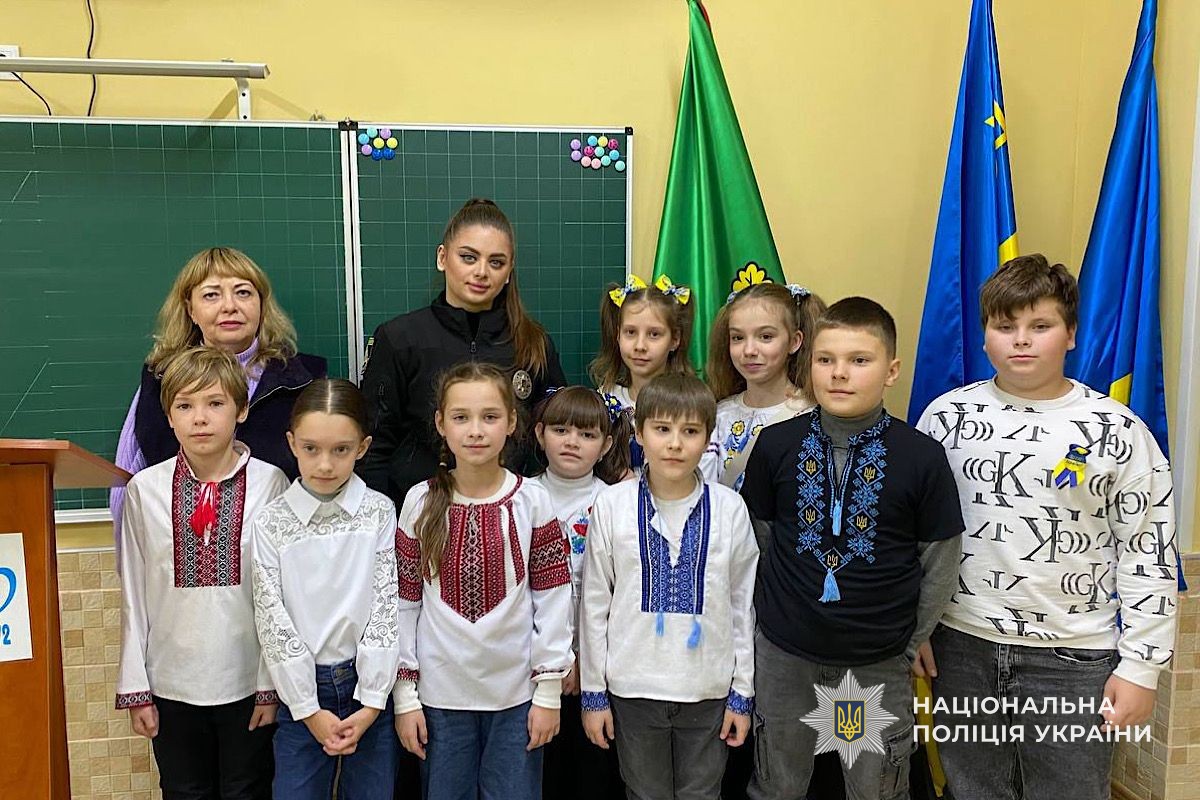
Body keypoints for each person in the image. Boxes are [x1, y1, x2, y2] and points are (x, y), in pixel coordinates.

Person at [914, 255, 1178, 800]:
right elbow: (918, 537)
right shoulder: (945, 420)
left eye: (1040, 326)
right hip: (962, 648)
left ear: (1071, 334)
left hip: (1073, 660)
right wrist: (916, 630)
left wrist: (1142, 668)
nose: (1021, 341)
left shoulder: (1117, 431)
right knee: (972, 789)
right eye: (1004, 325)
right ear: (984, 335)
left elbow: (1147, 549)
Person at [741, 298, 964, 800]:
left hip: (871, 665)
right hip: (786, 657)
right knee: (779, 787)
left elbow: (939, 563)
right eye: (826, 359)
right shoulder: (776, 445)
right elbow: (759, 543)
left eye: (859, 360)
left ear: (891, 371)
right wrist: (771, 626)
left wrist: (906, 645)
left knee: (872, 790)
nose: (839, 373)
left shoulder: (921, 457)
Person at [392, 361, 573, 800]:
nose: (475, 430)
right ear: (441, 424)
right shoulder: (420, 502)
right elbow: (402, 603)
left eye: (490, 417)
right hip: (440, 699)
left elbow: (553, 600)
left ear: (511, 422)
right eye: (461, 417)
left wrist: (548, 692)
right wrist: (405, 697)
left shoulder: (533, 501)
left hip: (517, 698)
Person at [116, 346, 289, 800]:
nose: (200, 418)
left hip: (246, 681)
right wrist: (136, 687)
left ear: (241, 410)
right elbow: (133, 593)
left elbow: (280, 596)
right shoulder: (145, 490)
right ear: (168, 417)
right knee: (183, 791)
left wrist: (270, 685)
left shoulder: (272, 483)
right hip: (171, 683)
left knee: (247, 790)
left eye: (215, 403)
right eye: (184, 406)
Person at [580, 374, 759, 800]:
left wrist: (742, 692)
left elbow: (742, 606)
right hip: (633, 689)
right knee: (644, 793)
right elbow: (594, 604)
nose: (675, 444)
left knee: (703, 793)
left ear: (708, 438)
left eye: (690, 431)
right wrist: (593, 694)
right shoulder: (612, 505)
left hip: (708, 690)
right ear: (639, 433)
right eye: (662, 429)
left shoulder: (730, 509)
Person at [110, 246, 327, 553]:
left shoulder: (303, 380)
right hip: (179, 558)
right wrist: (130, 561)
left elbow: (327, 479)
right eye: (211, 295)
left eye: (243, 293)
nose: (229, 306)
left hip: (284, 556)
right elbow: (128, 478)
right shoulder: (161, 377)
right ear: (190, 309)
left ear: (261, 304)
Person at [359, 198, 567, 507]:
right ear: (442, 257)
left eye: (496, 262)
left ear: (509, 271)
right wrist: (388, 520)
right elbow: (373, 447)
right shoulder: (398, 338)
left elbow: (555, 438)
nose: (481, 272)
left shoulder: (534, 343)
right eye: (469, 257)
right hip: (421, 514)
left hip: (512, 514)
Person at [251, 378, 401, 799]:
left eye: (341, 450)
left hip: (368, 687)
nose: (325, 465)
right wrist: (307, 708)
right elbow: (272, 618)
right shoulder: (271, 522)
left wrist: (372, 702)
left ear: (363, 447)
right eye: (311, 448)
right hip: (302, 693)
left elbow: (386, 605)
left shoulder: (379, 512)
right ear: (292, 444)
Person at [531, 386, 630, 800]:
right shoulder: (523, 496)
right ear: (540, 434)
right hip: (535, 668)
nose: (572, 441)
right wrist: (557, 660)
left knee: (594, 775)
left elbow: (620, 594)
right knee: (545, 775)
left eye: (587, 434)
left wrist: (583, 658)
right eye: (561, 430)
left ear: (606, 444)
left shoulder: (617, 502)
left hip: (599, 665)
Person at [703, 281, 826, 493]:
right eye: (738, 338)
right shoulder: (718, 415)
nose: (749, 350)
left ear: (794, 342)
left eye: (766, 337)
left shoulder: (813, 417)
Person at [589, 274, 695, 474]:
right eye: (630, 332)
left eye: (654, 334)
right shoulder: (606, 399)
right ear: (617, 335)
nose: (640, 346)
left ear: (675, 339)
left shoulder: (691, 403)